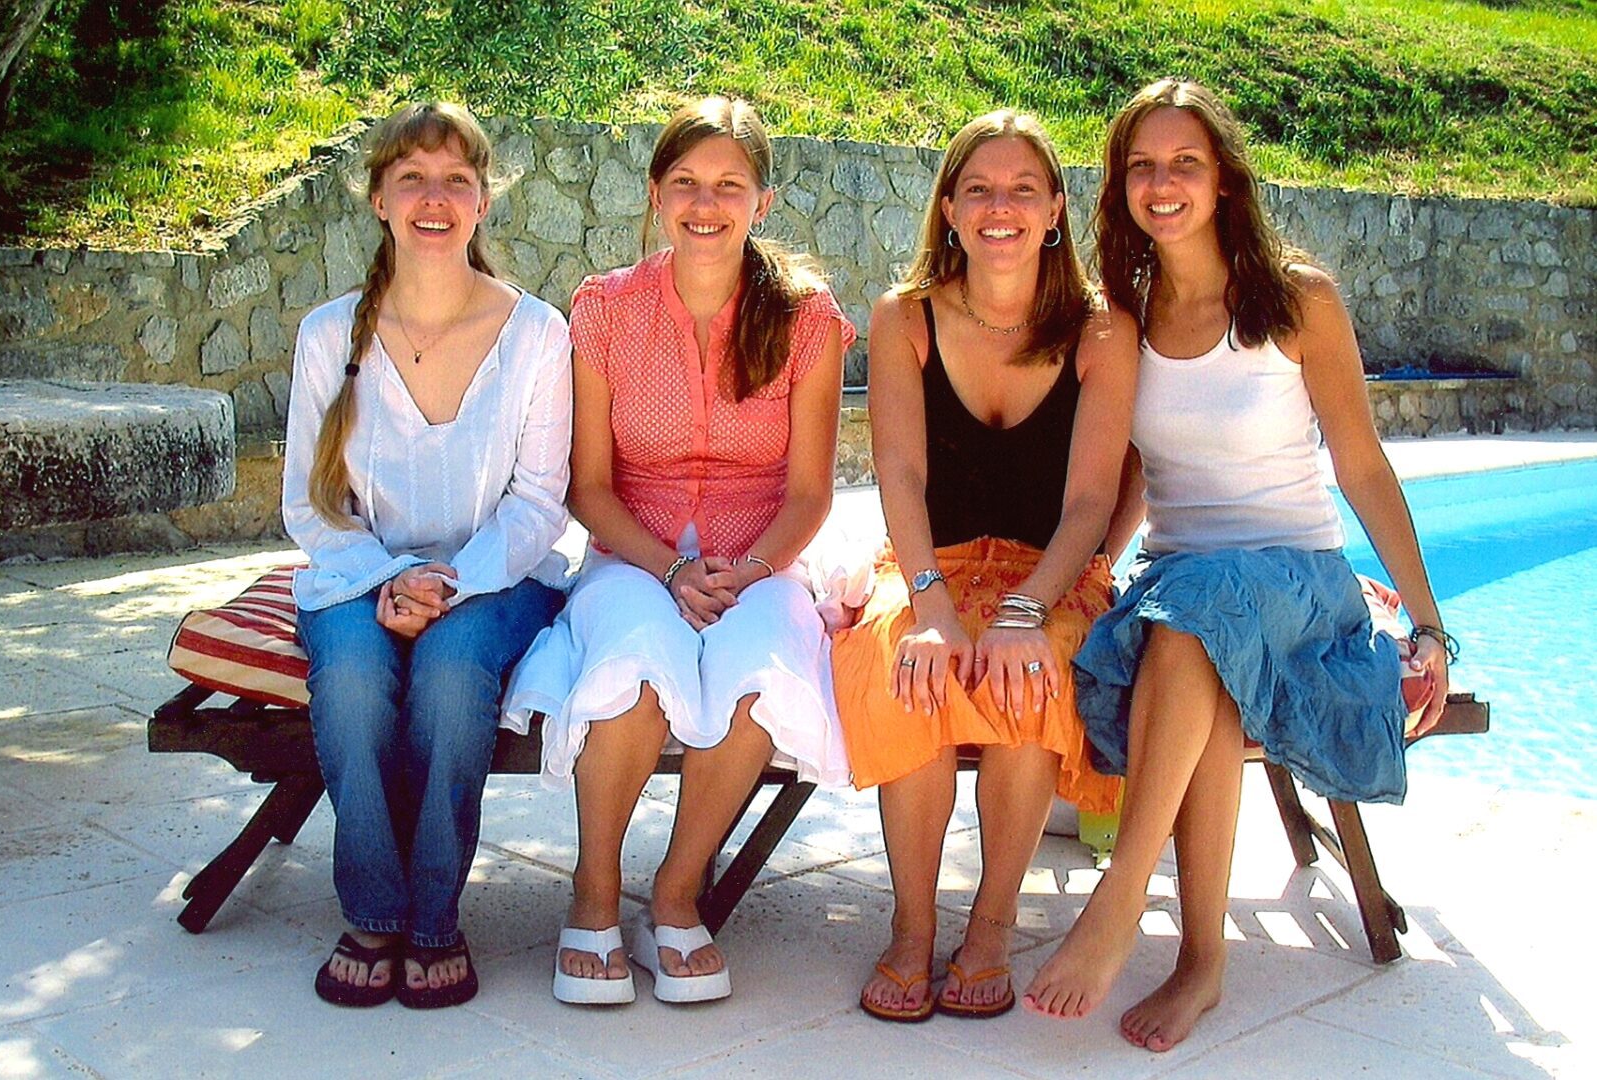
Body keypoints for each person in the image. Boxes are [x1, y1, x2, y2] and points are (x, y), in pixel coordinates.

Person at [1022, 79, 1454, 1052]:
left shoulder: (1294, 300)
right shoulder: (1120, 317)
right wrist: (1089, 563)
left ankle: (1122, 899)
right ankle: (1199, 966)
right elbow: (1127, 477)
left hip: (1297, 582)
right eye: (1141, 165)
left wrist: (1426, 624)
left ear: (1222, 180)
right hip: (1185, 592)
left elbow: (1362, 467)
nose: (1161, 182)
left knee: (1194, 614)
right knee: (1188, 635)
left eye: (1184, 163)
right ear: (1118, 184)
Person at [502, 96, 854, 1005]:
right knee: (636, 669)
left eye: (730, 185)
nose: (708, 203)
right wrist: (666, 568)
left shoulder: (807, 319)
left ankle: (675, 892)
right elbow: (590, 487)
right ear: (658, 195)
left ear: (762, 202)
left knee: (761, 677)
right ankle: (591, 896)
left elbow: (812, 490)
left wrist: (752, 570)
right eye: (688, 183)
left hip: (761, 557)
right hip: (632, 554)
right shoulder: (606, 310)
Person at [830, 110, 1137, 1023]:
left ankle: (993, 926)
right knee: (907, 665)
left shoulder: (1101, 331)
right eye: (979, 190)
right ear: (951, 210)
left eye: (1022, 190)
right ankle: (915, 927)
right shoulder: (903, 318)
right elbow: (902, 475)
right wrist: (927, 604)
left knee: (1033, 677)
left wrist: (1025, 612)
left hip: (1056, 572)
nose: (1000, 208)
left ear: (1054, 213)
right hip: (932, 559)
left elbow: (1091, 505)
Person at [283, 102, 570, 1009]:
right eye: (412, 177)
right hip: (358, 575)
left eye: (456, 179)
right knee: (357, 678)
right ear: (378, 200)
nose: (434, 197)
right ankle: (373, 912)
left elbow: (539, 501)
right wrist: (386, 578)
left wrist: (452, 582)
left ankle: (434, 921)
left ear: (484, 201)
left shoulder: (536, 334)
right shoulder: (332, 335)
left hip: (497, 580)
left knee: (451, 674)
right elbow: (309, 502)